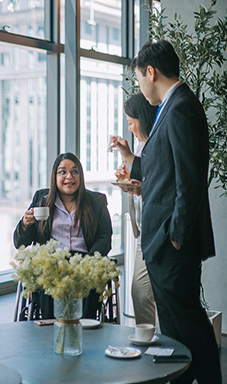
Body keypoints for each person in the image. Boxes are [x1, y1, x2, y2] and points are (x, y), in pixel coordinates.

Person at [113, 40, 220, 384]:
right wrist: (132, 161)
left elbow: (189, 182)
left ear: (150, 71)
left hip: (171, 245)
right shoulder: (171, 107)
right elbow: (165, 168)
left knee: (188, 327)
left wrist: (174, 238)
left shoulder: (181, 107)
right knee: (176, 330)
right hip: (162, 244)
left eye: (139, 79)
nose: (141, 88)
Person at [13, 153, 113, 319]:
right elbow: (19, 243)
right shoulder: (42, 200)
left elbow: (104, 237)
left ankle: (85, 332)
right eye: (63, 172)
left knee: (88, 281)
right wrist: (25, 224)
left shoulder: (96, 201)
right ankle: (50, 330)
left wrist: (88, 262)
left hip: (84, 262)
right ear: (54, 176)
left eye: (75, 172)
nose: (69, 177)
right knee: (47, 279)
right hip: (51, 264)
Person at [114, 92, 158, 326]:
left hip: (156, 230)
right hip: (146, 229)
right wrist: (130, 180)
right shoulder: (143, 145)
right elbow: (144, 179)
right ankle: (150, 344)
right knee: (141, 293)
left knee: (141, 292)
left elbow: (159, 185)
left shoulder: (155, 143)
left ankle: (152, 345)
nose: (130, 128)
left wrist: (139, 186)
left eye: (131, 122)